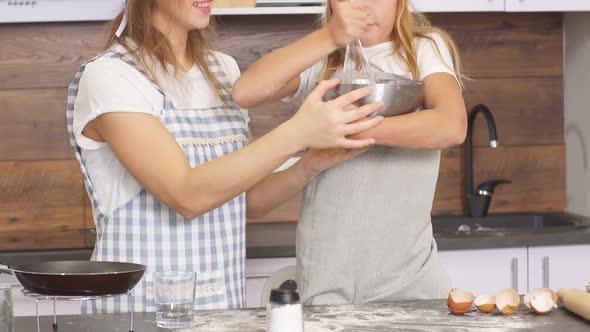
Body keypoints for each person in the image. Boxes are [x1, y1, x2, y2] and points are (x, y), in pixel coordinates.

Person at [66, 0, 384, 313]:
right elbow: (186, 194)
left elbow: (246, 200)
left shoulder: (223, 71)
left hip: (222, 308)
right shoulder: (110, 76)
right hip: (138, 313)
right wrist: (297, 132)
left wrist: (309, 165)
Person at [233, 0, 467, 305]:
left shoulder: (424, 49)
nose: (365, 6)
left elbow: (452, 125)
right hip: (326, 286)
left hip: (411, 285)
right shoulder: (325, 60)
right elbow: (245, 91)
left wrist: (345, 129)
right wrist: (329, 36)